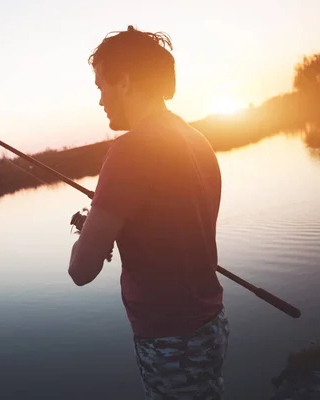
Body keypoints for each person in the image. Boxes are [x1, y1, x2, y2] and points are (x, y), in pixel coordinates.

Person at [67, 25, 230, 399]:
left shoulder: (129, 153)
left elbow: (81, 271)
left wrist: (90, 229)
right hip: (211, 322)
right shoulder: (195, 140)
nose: (100, 100)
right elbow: (175, 228)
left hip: (171, 339)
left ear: (123, 81)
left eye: (101, 86)